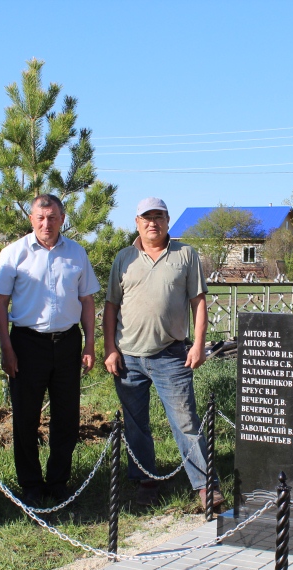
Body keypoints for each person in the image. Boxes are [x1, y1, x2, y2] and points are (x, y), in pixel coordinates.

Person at [103, 197, 222, 510]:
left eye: (158, 217)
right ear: (137, 222)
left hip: (171, 354)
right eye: (146, 218)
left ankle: (205, 486)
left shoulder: (185, 255)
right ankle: (146, 481)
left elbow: (198, 302)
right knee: (135, 424)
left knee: (185, 422)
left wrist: (198, 344)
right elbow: (111, 306)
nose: (152, 223)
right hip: (128, 356)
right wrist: (109, 348)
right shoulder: (124, 258)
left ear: (168, 221)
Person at [0, 194, 99, 507]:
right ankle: (31, 485)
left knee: (66, 417)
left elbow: (87, 301)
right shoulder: (14, 254)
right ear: (31, 219)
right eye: (40, 218)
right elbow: (0, 304)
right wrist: (7, 348)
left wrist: (89, 342)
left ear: (62, 218)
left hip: (67, 342)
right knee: (26, 417)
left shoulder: (76, 254)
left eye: (52, 218)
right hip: (27, 344)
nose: (46, 224)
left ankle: (58, 482)